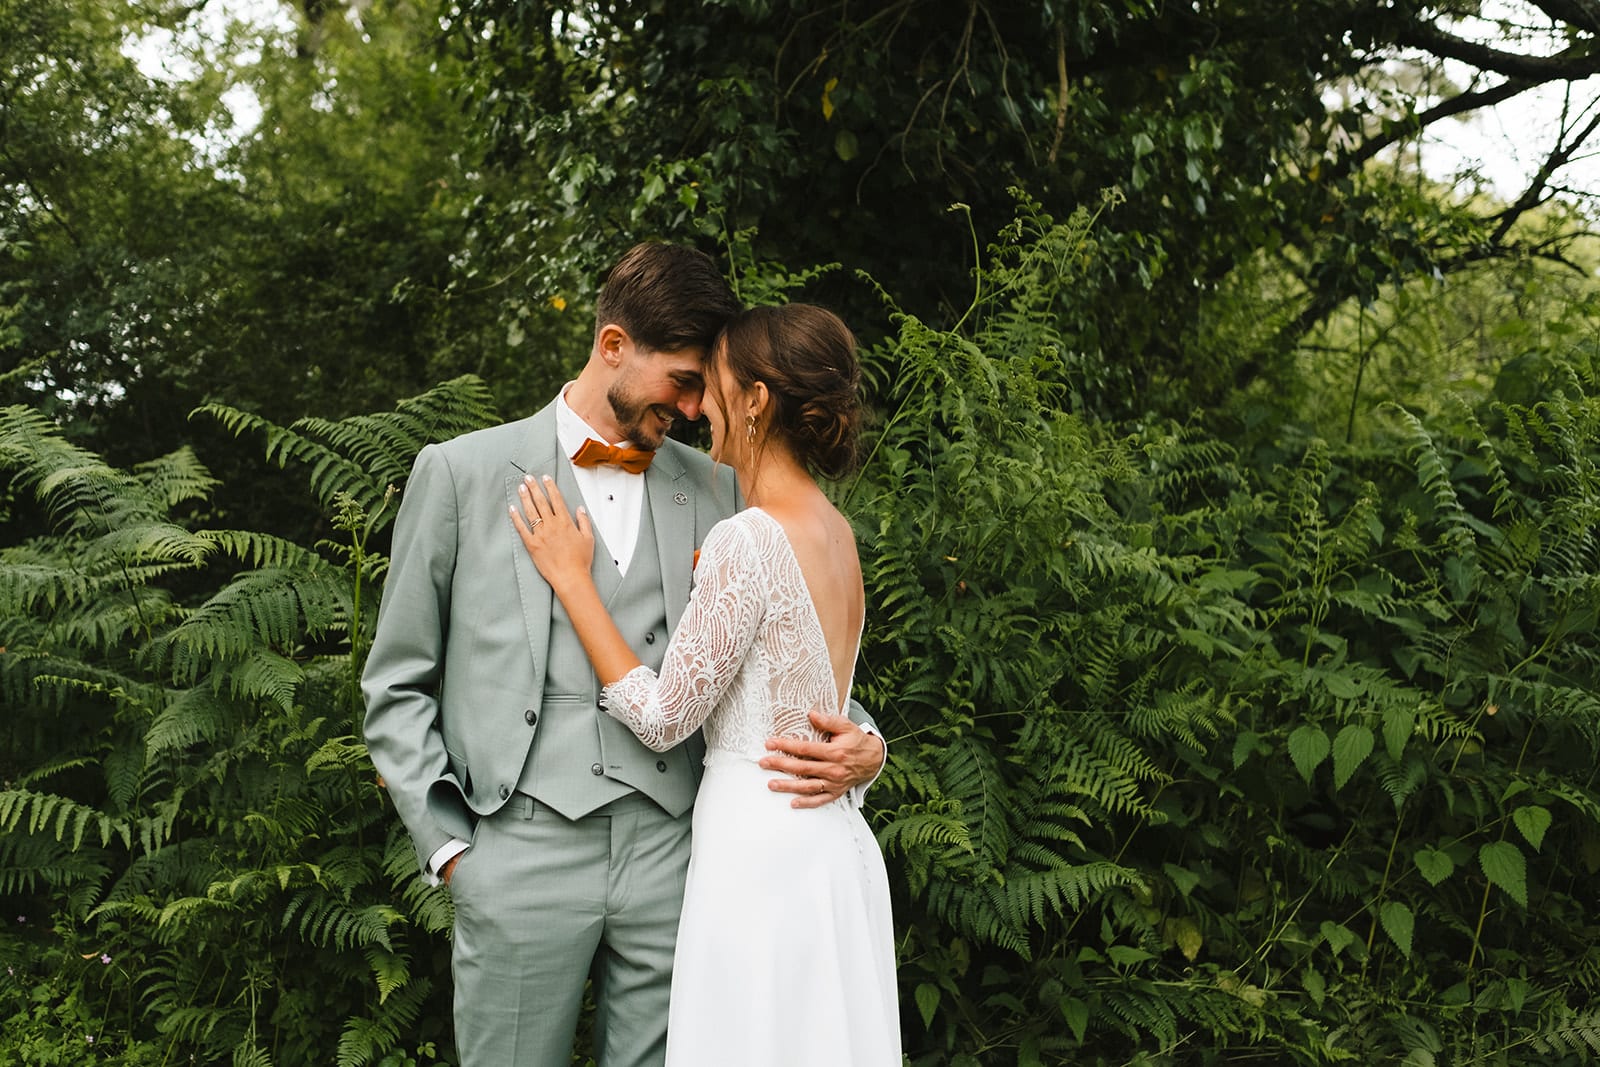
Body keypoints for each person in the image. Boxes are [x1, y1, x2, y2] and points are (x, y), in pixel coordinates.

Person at [360, 244, 887, 1067]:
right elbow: (394, 680)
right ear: (612, 346)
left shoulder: (721, 487)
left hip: (682, 856)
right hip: (520, 849)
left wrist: (863, 738)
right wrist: (453, 848)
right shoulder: (461, 474)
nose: (690, 406)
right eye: (681, 379)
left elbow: (783, 639)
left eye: (703, 387)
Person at [510, 302, 901, 1065]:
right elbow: (813, 683)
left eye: (715, 387)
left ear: (755, 400)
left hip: (758, 851)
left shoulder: (747, 537)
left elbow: (661, 718)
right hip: (831, 843)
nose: (700, 411)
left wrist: (572, 578)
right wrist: (872, 747)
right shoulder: (836, 530)